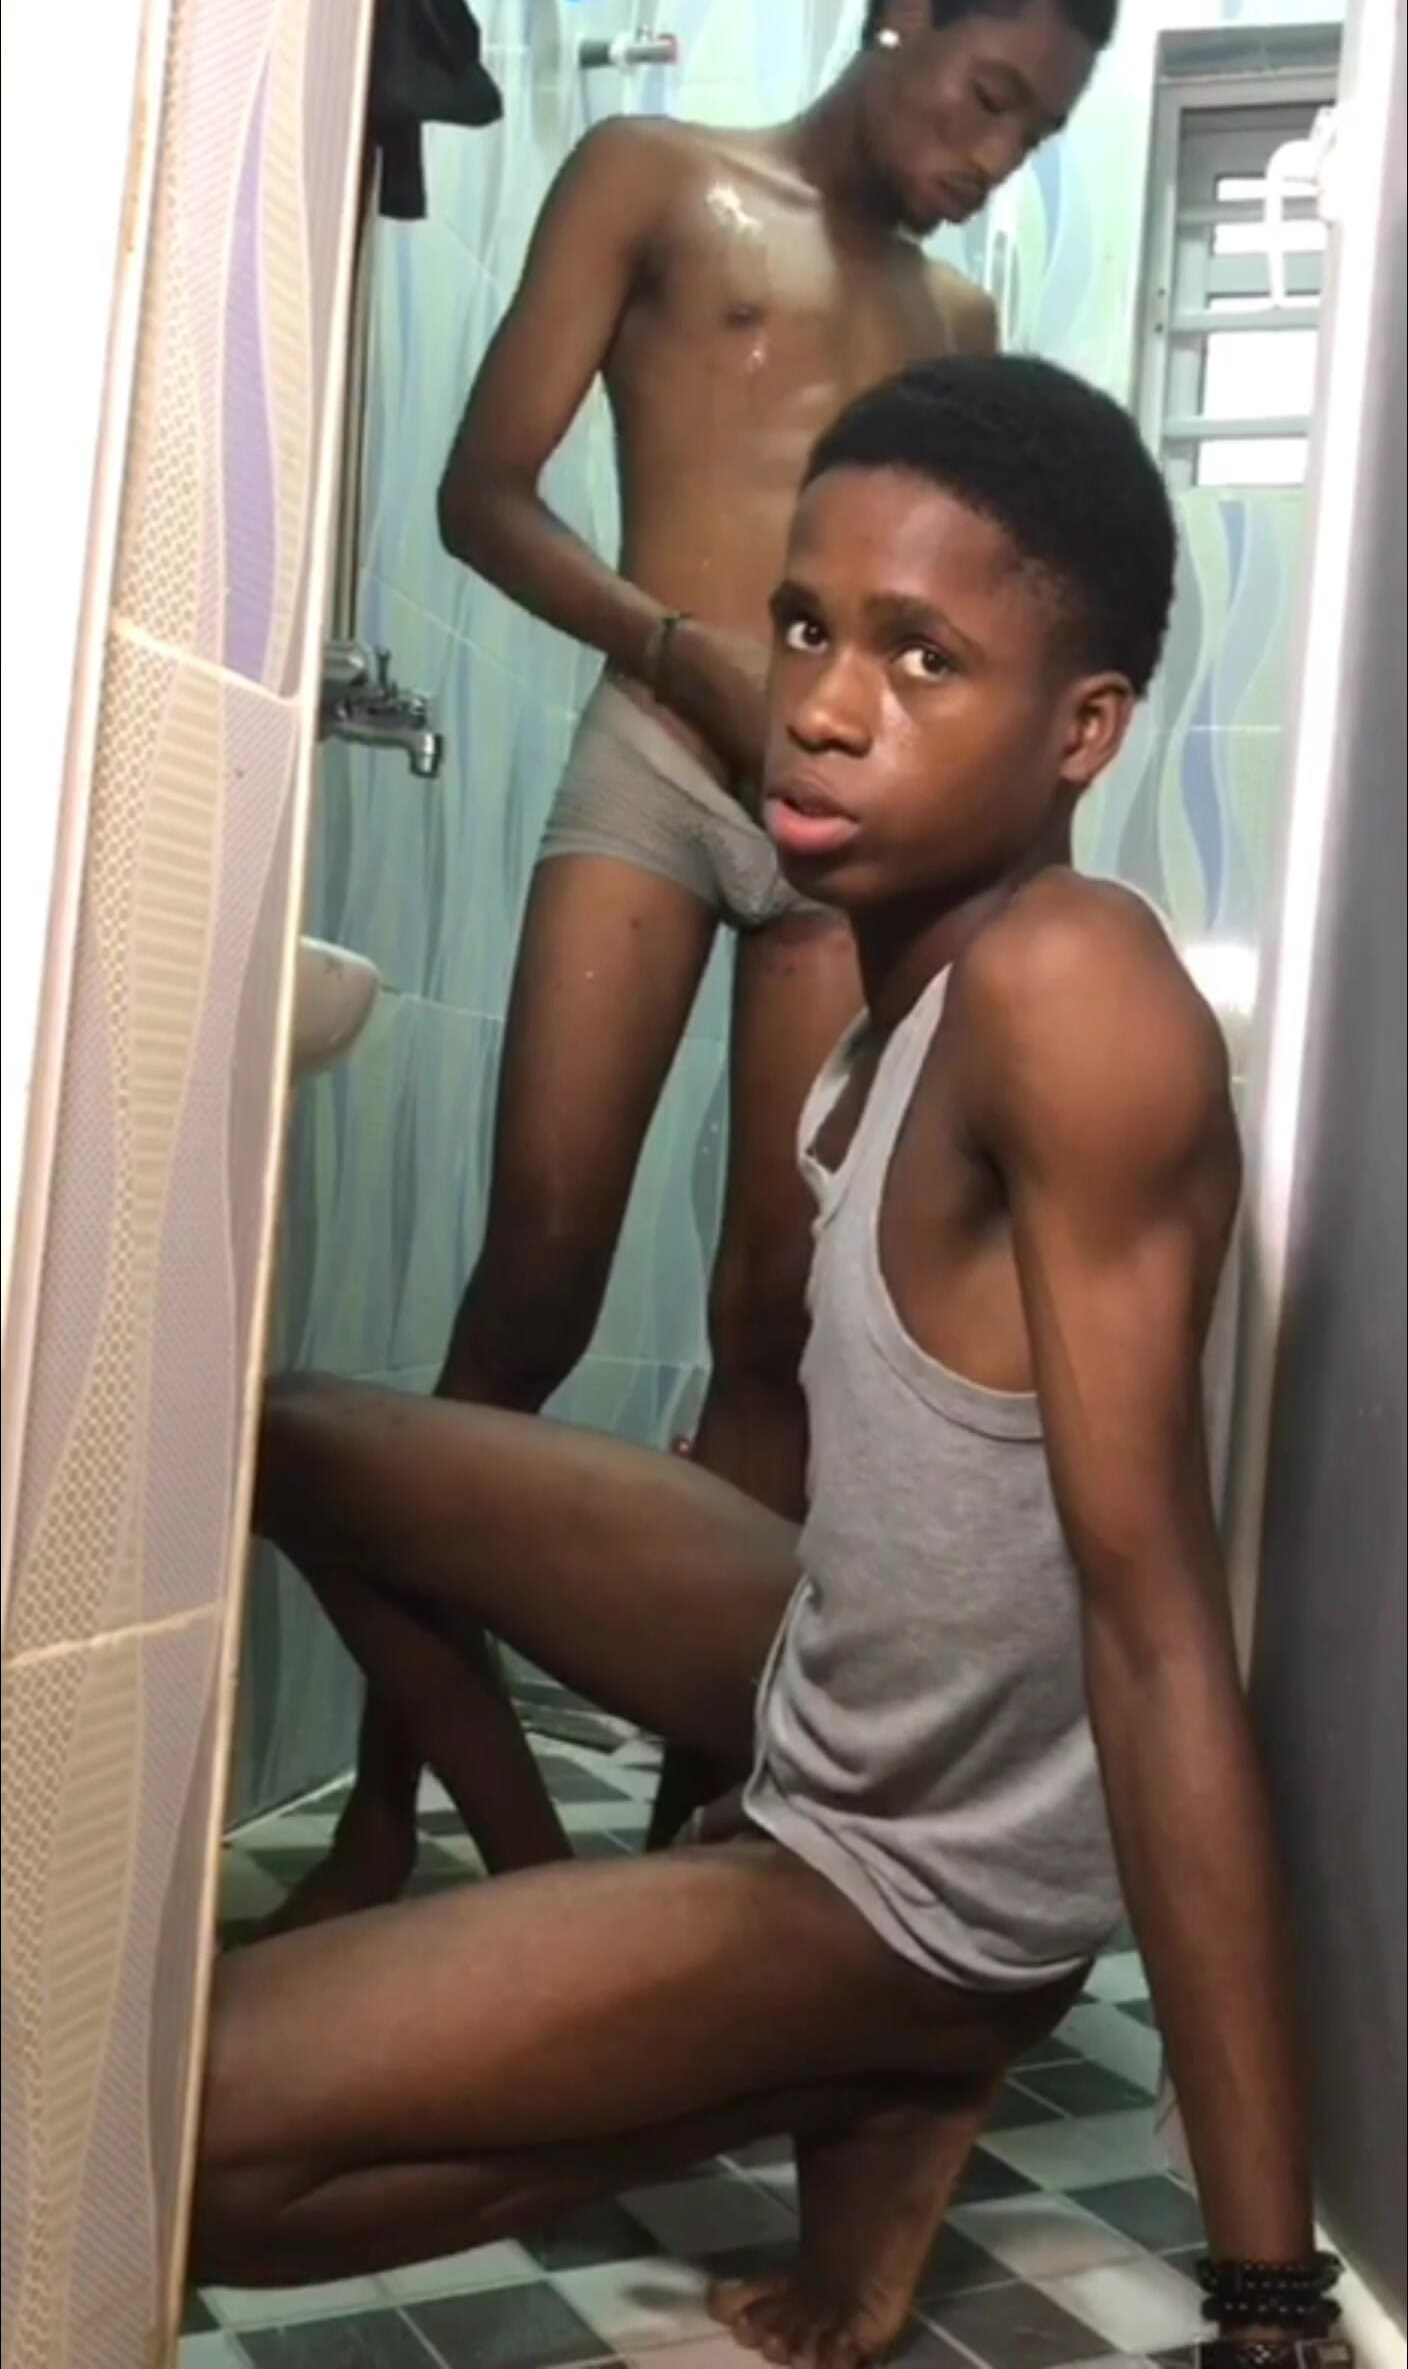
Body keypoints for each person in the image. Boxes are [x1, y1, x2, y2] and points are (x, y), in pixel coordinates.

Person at [195, 357, 1348, 2369]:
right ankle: (585, 1916)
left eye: (922, 658)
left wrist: (1267, 2300)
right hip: (832, 1675)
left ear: (1081, 731)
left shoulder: (1068, 984)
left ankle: (869, 2047)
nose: (818, 701)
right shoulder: (887, 988)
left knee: (177, 2124)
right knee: (296, 1439)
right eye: (806, 626)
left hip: (915, 1876)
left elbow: (1159, 1635)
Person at [281, 0, 1126, 1927]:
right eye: (989, 96)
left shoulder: (958, 323)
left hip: (846, 837)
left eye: (1035, 134)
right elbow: (480, 494)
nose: (992, 158)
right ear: (905, 9)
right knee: (537, 1273)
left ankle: (701, 1853)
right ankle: (397, 1805)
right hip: (659, 762)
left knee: (774, 1318)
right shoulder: (655, 176)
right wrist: (685, 653)